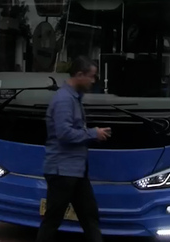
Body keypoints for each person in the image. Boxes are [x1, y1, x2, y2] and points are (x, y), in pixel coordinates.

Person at [36, 56, 112, 242]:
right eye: (91, 76)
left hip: (75, 170)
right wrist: (93, 133)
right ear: (79, 75)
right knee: (53, 219)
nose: (93, 81)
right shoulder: (64, 100)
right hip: (63, 171)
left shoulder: (74, 98)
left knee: (89, 216)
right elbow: (64, 133)